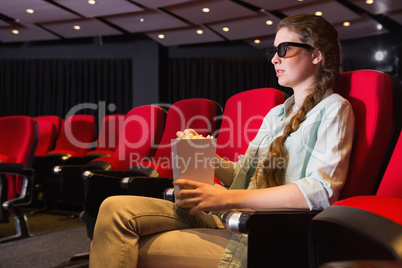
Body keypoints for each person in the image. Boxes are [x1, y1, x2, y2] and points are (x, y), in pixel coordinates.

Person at [89, 13, 355, 268]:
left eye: (284, 49)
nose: (274, 59)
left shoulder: (334, 109)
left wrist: (228, 198)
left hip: (261, 231)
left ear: (317, 54)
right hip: (228, 217)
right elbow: (243, 173)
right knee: (113, 207)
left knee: (126, 246)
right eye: (273, 51)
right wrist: (203, 154)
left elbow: (321, 192)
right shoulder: (278, 113)